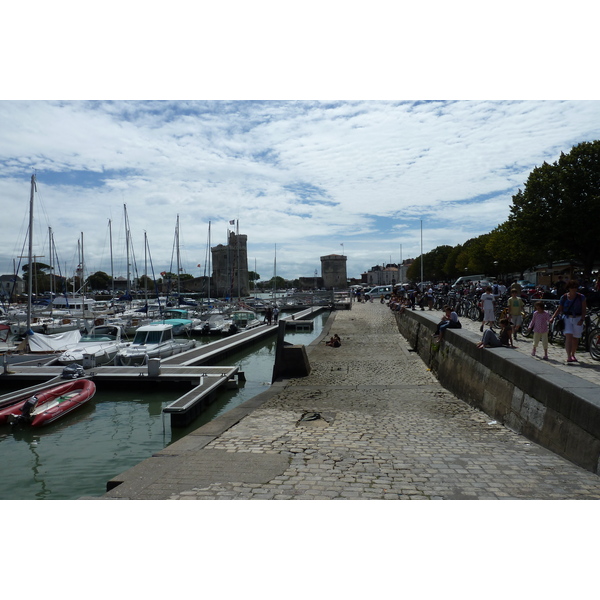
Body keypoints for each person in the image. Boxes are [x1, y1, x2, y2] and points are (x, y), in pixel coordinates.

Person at [550, 279, 587, 363]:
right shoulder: (564, 297)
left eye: (575, 287)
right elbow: (560, 309)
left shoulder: (581, 297)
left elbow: (584, 309)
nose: (573, 289)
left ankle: (573, 354)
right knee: (568, 336)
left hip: (578, 318)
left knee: (575, 338)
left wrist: (582, 319)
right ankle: (568, 356)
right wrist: (553, 317)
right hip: (567, 318)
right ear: (568, 288)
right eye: (572, 287)